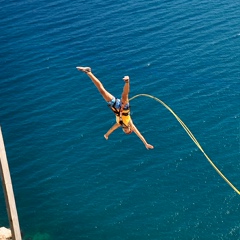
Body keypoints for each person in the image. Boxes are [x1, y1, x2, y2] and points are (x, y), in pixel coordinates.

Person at [76, 67, 154, 150]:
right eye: (128, 130)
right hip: (124, 107)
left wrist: (107, 135)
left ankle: (88, 72)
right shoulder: (130, 123)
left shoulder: (119, 124)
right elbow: (139, 134)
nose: (125, 130)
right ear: (130, 129)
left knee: (102, 91)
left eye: (125, 131)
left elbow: (112, 129)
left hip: (115, 105)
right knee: (125, 95)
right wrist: (145, 143)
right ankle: (127, 81)